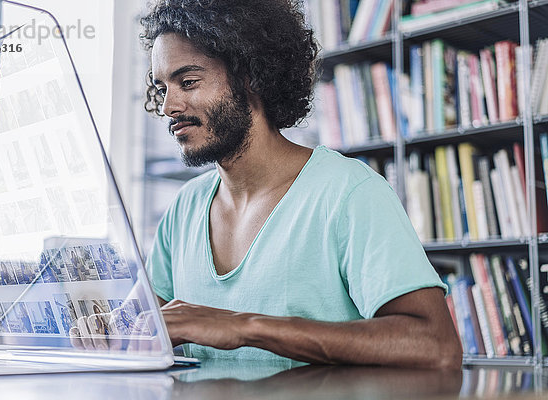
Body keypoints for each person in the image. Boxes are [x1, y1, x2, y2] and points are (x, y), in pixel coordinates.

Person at [134, 0, 463, 368]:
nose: (168, 106)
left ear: (251, 77)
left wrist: (245, 327)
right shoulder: (185, 207)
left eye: (188, 82)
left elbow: (436, 346)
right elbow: (140, 330)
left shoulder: (349, 192)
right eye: (162, 89)